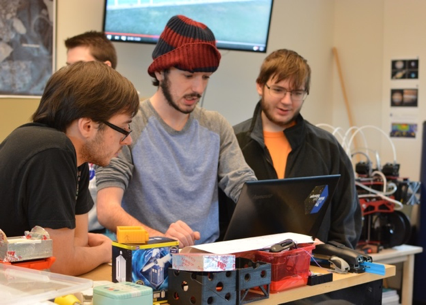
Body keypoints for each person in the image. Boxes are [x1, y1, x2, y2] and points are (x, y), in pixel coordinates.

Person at [95, 15, 256, 248]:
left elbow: (245, 188)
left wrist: (292, 232)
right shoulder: (128, 124)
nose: (198, 88)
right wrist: (163, 241)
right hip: (147, 261)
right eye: (188, 76)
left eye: (205, 77)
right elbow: (107, 209)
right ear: (160, 72)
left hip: (208, 262)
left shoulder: (216, 125)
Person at [0, 61, 140, 275]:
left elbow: (78, 243)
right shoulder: (53, 150)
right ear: (87, 126)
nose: (128, 140)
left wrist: (73, 249)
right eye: (123, 128)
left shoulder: (77, 158)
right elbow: (60, 263)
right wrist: (107, 251)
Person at [230, 49, 362, 249]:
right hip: (247, 272)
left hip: (314, 271)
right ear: (260, 86)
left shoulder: (327, 147)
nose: (287, 101)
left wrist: (330, 260)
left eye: (297, 93)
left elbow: (346, 222)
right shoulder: (233, 143)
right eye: (278, 90)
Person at [65, 30, 118, 233]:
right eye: (68, 68)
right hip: (64, 232)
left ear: (105, 68)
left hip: (103, 233)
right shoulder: (62, 122)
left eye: (79, 66)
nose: (69, 76)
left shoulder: (122, 127)